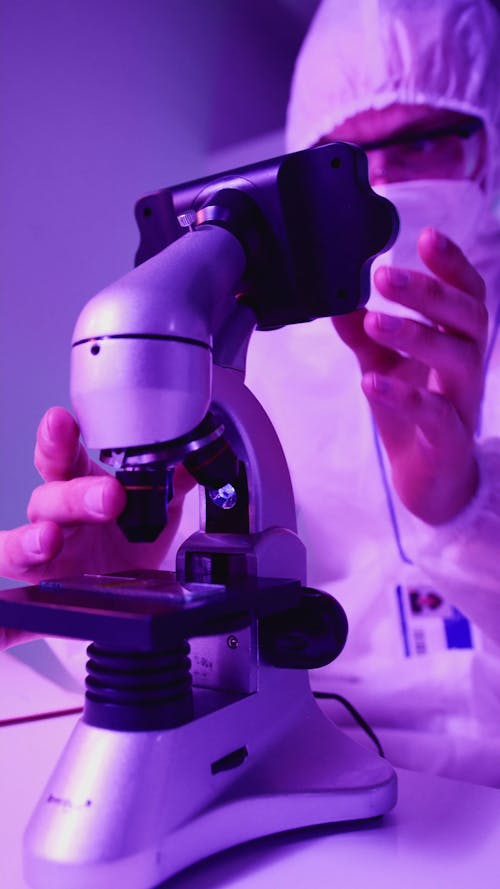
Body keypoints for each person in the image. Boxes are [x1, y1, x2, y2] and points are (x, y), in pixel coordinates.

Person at [2, 0, 500, 785]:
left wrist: (462, 504)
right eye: (346, 160)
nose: (388, 188)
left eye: (428, 140)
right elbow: (198, 648)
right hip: (309, 761)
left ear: (490, 146)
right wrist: (128, 573)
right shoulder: (238, 358)